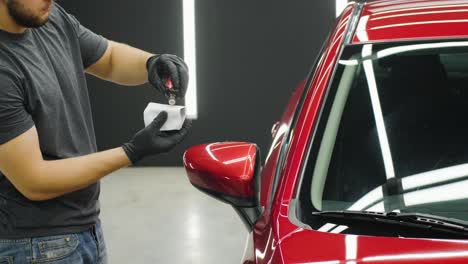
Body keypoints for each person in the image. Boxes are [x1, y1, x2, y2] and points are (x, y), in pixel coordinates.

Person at [0, 0, 191, 263]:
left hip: (86, 229)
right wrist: (131, 152)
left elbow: (110, 59)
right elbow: (34, 180)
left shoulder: (49, 17)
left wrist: (151, 64)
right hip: (34, 246)